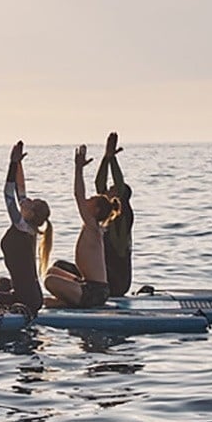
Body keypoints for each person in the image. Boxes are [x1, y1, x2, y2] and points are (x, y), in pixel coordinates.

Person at [0, 140, 52, 315]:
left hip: (26, 300)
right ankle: (8, 300)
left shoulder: (21, 225)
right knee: (2, 283)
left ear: (32, 214)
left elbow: (8, 193)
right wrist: (19, 162)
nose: (27, 200)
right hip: (32, 295)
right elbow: (21, 189)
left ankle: (10, 306)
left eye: (31, 202)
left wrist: (12, 164)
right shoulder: (28, 227)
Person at [44, 145, 121, 308]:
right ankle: (65, 301)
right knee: (52, 272)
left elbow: (78, 195)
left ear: (96, 210)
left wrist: (78, 168)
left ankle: (65, 304)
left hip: (95, 292)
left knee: (49, 281)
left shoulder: (92, 225)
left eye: (91, 199)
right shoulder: (92, 225)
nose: (87, 200)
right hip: (89, 286)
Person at [96, 131, 134, 297]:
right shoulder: (105, 214)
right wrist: (105, 157)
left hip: (117, 282)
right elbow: (99, 183)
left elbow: (119, 183)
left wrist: (112, 159)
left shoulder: (124, 215)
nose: (109, 190)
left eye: (113, 190)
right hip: (103, 278)